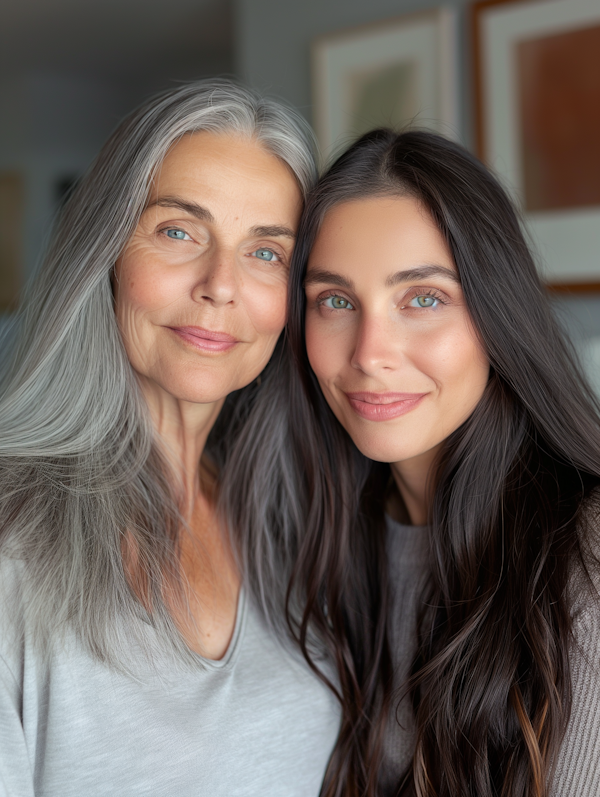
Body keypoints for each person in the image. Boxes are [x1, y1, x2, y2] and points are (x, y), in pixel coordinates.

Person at [0, 80, 342, 797]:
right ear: (105, 252)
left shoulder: (292, 522)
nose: (220, 284)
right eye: (179, 231)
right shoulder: (12, 538)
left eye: (266, 252)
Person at [285, 128, 600, 797]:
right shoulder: (316, 540)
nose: (370, 352)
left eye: (423, 298)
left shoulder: (586, 554)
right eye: (335, 300)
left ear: (496, 313)